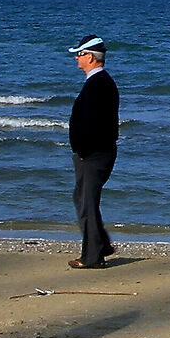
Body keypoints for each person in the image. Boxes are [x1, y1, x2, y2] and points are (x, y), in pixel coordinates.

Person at [65, 34, 120, 269]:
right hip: (93, 152)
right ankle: (101, 245)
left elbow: (95, 123)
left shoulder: (99, 85)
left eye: (79, 54)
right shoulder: (97, 83)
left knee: (86, 202)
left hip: (95, 153)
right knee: (83, 199)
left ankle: (92, 257)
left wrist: (84, 149)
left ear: (90, 57)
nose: (77, 58)